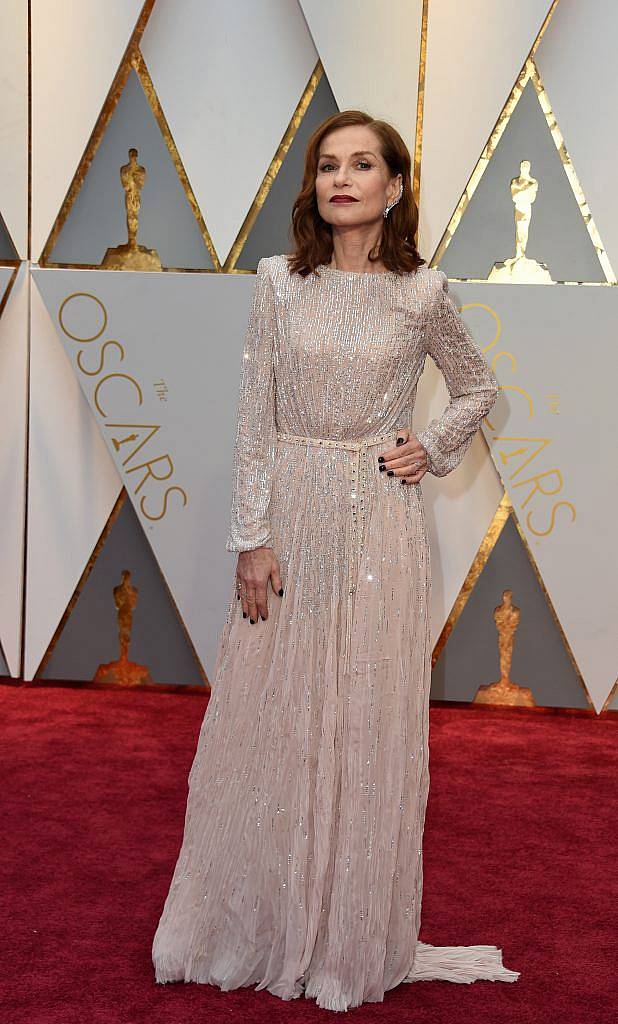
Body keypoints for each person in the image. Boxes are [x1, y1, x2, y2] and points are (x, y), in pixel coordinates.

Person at [152, 110, 519, 1012]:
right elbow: (253, 416)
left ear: (394, 188)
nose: (341, 178)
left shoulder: (423, 293)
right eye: (327, 166)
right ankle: (263, 919)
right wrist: (252, 535)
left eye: (362, 165)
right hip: (293, 515)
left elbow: (478, 386)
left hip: (382, 529)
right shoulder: (279, 282)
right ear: (313, 186)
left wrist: (427, 447)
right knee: (272, 716)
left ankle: (349, 934)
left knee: (363, 719)